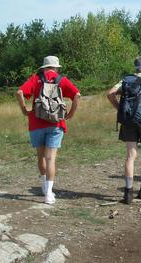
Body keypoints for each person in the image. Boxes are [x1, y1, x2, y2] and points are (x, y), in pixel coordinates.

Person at [16, 56, 81, 204]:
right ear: (57, 68)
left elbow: (19, 92)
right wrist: (70, 113)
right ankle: (49, 195)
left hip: (36, 123)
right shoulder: (62, 80)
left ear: (43, 67)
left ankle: (45, 187)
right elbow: (77, 95)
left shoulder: (35, 78)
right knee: (51, 158)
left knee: (41, 157)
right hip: (56, 123)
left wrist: (24, 110)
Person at [107, 56, 141, 204]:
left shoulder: (126, 79)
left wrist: (119, 109)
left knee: (130, 155)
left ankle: (128, 193)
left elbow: (110, 93)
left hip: (128, 119)